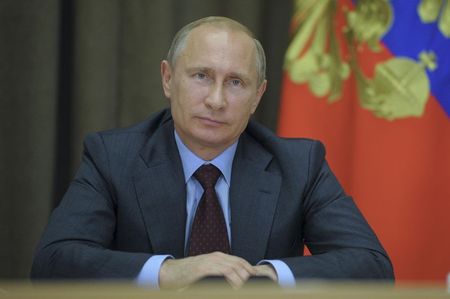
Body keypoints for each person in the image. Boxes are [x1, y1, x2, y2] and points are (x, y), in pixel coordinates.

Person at [31, 16, 394, 289]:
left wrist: (263, 277)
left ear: (257, 97)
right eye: (201, 76)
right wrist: (168, 270)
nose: (216, 100)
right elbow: (53, 263)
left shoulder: (299, 165)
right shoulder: (114, 157)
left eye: (235, 82)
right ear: (168, 79)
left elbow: (372, 267)